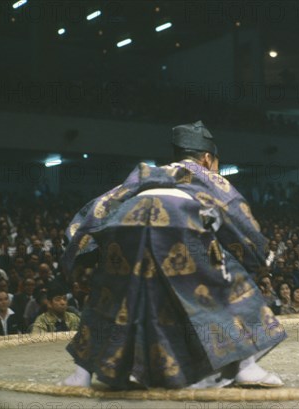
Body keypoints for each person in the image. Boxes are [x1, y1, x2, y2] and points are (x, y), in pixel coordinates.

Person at [60, 121, 285, 389]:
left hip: (126, 221)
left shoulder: (146, 173)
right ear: (207, 158)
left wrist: (83, 252)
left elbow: (102, 205)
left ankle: (81, 374)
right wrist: (257, 256)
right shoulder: (206, 175)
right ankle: (246, 366)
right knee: (227, 282)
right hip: (175, 219)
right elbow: (234, 211)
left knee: (113, 293)